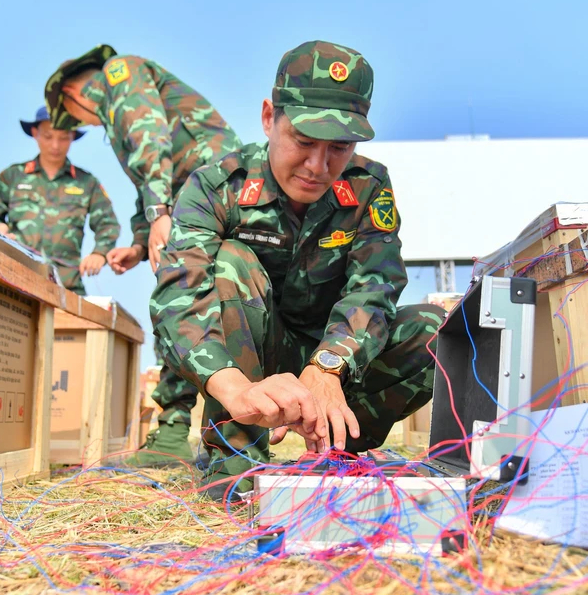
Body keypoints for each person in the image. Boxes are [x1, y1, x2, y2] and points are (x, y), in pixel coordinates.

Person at [149, 40, 445, 501]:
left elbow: (375, 285)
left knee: (434, 328)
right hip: (249, 363)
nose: (317, 166)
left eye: (339, 147)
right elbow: (178, 297)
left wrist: (328, 368)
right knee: (230, 264)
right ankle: (235, 467)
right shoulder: (216, 186)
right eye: (303, 142)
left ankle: (336, 452)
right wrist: (237, 392)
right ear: (269, 118)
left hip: (333, 363)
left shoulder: (368, 187)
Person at [44, 45, 242, 466]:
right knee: (199, 300)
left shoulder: (119, 73)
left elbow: (150, 142)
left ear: (71, 96)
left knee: (181, 297)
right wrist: (139, 243)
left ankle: (179, 435)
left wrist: (159, 214)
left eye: (72, 116)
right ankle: (204, 436)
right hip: (195, 197)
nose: (81, 121)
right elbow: (147, 177)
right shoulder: (119, 114)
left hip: (209, 190)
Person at [0, 106, 120, 295]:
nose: (55, 145)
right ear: (35, 133)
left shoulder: (87, 182)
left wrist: (99, 253)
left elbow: (108, 224)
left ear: (72, 137)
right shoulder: (12, 176)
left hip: (67, 288)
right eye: (48, 136)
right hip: (16, 281)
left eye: (63, 137)